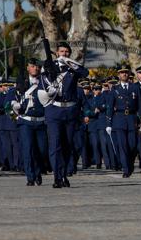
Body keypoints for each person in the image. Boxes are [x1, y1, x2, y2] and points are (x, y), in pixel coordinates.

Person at [40, 42, 89, 188]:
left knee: (68, 145)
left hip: (70, 111)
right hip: (54, 110)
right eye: (62, 51)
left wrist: (69, 62)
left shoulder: (73, 67)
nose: (64, 53)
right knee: (55, 145)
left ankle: (64, 174)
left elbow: (85, 73)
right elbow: (43, 82)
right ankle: (57, 176)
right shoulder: (49, 65)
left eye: (67, 52)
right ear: (56, 52)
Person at [12, 58, 47, 186]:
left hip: (41, 121)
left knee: (42, 150)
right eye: (32, 66)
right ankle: (30, 176)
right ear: (28, 68)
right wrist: (13, 105)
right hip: (26, 121)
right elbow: (12, 97)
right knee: (28, 149)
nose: (35, 68)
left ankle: (38, 172)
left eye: (37, 66)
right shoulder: (22, 81)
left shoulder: (44, 81)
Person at [108, 64, 141, 177]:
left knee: (132, 145)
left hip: (132, 119)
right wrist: (109, 123)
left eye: (126, 72)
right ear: (119, 74)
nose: (124, 74)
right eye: (122, 72)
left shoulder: (135, 87)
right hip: (119, 119)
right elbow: (110, 106)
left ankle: (130, 163)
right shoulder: (115, 89)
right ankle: (126, 169)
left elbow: (140, 105)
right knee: (122, 146)